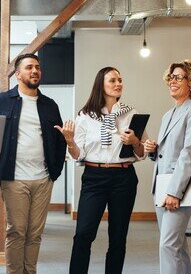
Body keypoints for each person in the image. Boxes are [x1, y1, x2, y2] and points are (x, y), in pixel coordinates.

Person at [55, 66, 147, 274]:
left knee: (118, 237)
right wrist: (69, 141)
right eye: (112, 80)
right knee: (83, 234)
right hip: (94, 178)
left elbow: (141, 153)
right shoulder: (85, 116)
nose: (118, 84)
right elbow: (78, 154)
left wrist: (134, 140)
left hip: (124, 177)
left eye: (120, 80)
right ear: (101, 85)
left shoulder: (132, 114)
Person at [0, 53, 66, 274]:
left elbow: (59, 140)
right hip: (14, 178)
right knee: (17, 231)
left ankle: (31, 271)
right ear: (18, 74)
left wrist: (54, 173)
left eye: (37, 67)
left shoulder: (49, 105)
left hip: (43, 178)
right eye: (29, 67)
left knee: (35, 233)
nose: (35, 71)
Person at [144, 60, 191, 274]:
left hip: (176, 188)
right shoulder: (168, 114)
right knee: (177, 245)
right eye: (171, 77)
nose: (173, 81)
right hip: (162, 185)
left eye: (179, 77)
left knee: (168, 245)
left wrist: (174, 191)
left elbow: (190, 154)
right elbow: (168, 153)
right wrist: (153, 150)